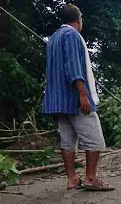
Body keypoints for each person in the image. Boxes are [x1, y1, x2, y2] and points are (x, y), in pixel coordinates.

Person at [43, 4, 113, 191]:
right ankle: (90, 179)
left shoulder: (53, 38)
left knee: (67, 141)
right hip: (74, 98)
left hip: (58, 100)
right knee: (95, 140)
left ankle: (72, 179)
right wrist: (83, 94)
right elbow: (73, 67)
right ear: (78, 19)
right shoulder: (72, 35)